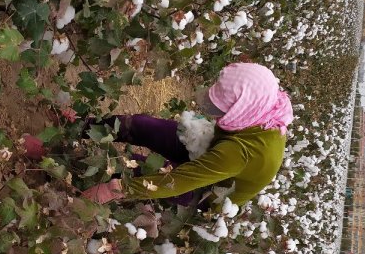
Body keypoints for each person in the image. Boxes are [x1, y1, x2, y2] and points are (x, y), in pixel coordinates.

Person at [81, 62, 293, 207]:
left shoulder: (239, 153)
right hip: (212, 147)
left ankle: (78, 178)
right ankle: (83, 126)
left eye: (222, 110)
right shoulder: (262, 102)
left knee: (135, 167)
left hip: (210, 189)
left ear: (239, 111)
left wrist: (119, 189)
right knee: (142, 125)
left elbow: (179, 181)